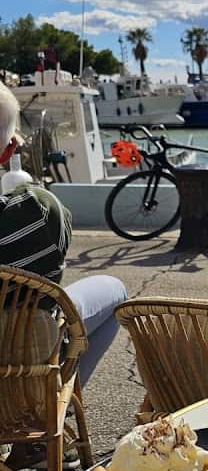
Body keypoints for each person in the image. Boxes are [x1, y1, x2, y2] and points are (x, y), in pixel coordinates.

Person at [0, 81, 126, 437]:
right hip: (23, 387)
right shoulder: (37, 212)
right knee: (113, 290)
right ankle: (49, 414)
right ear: (9, 151)